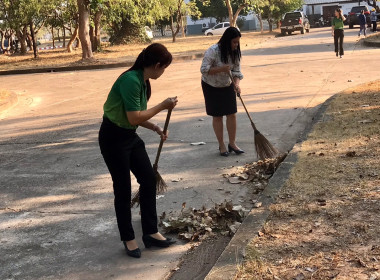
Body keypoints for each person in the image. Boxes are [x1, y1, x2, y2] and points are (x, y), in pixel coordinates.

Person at [98, 43, 178, 258]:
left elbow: (136, 116)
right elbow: (134, 117)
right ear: (157, 65)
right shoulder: (130, 80)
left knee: (148, 179)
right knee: (123, 189)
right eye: (164, 68)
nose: (163, 73)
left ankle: (151, 232)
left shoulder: (144, 81)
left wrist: (155, 127)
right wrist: (162, 106)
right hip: (113, 138)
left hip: (129, 136)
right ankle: (128, 238)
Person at [200, 27, 244, 157]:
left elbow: (237, 72)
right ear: (227, 41)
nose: (236, 45)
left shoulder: (235, 53)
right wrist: (221, 69)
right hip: (210, 85)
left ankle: (232, 143)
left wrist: (236, 85)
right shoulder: (213, 51)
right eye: (234, 42)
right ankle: (222, 145)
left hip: (227, 84)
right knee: (217, 115)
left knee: (232, 114)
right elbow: (204, 69)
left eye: (237, 42)